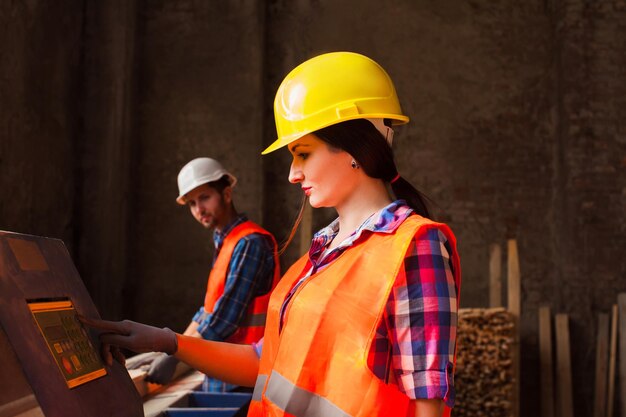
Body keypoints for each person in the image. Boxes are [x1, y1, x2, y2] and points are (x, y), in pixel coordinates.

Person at [84, 52, 461, 417]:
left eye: (303, 154)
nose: (292, 175)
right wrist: (168, 341)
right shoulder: (320, 256)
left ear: (355, 148)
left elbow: (427, 398)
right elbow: (262, 358)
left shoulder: (414, 246)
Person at [144, 157, 280, 392]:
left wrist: (176, 353)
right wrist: (172, 345)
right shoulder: (227, 241)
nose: (199, 209)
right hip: (224, 371)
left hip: (245, 375)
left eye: (205, 197)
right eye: (192, 203)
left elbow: (224, 319)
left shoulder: (250, 243)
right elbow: (207, 311)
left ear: (226, 194)